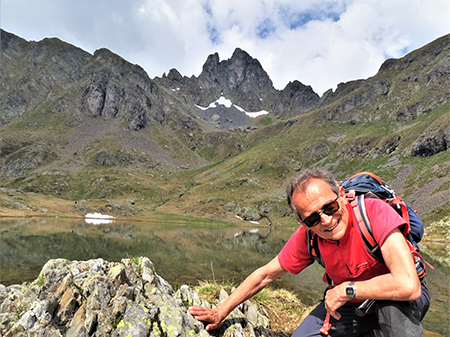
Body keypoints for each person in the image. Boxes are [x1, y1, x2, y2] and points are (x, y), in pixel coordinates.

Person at [189, 168, 430, 336]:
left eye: (330, 207)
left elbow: (408, 285)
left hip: (398, 299)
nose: (326, 220)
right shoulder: (308, 237)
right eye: (313, 218)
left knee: (391, 312)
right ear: (300, 220)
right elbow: (265, 275)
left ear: (341, 194)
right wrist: (220, 311)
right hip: (352, 303)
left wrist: (346, 290)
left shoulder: (373, 214)